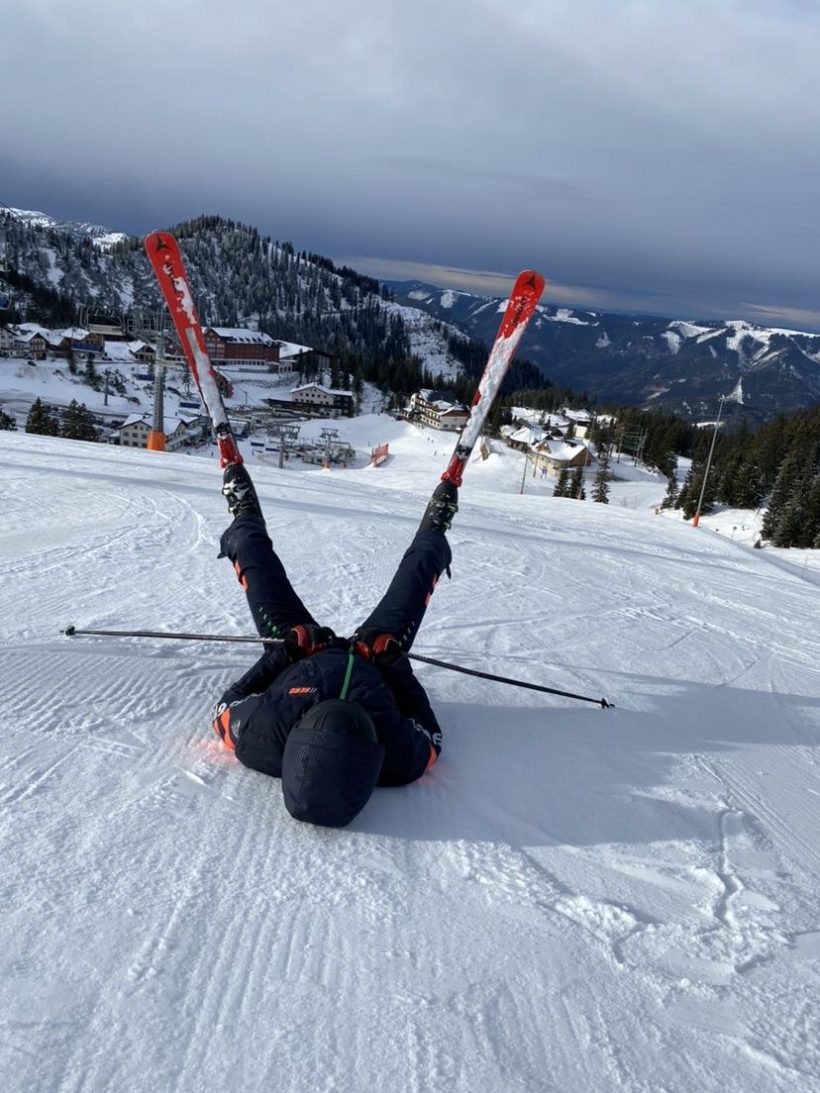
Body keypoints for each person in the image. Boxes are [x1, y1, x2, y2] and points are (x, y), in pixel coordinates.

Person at [211, 462, 459, 828]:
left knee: (252, 555)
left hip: (305, 649)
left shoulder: (259, 736)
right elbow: (429, 729)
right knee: (418, 573)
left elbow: (229, 701)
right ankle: (437, 525)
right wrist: (392, 663)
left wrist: (287, 653)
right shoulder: (402, 759)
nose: (341, 709)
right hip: (371, 658)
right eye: (360, 726)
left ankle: (243, 511)